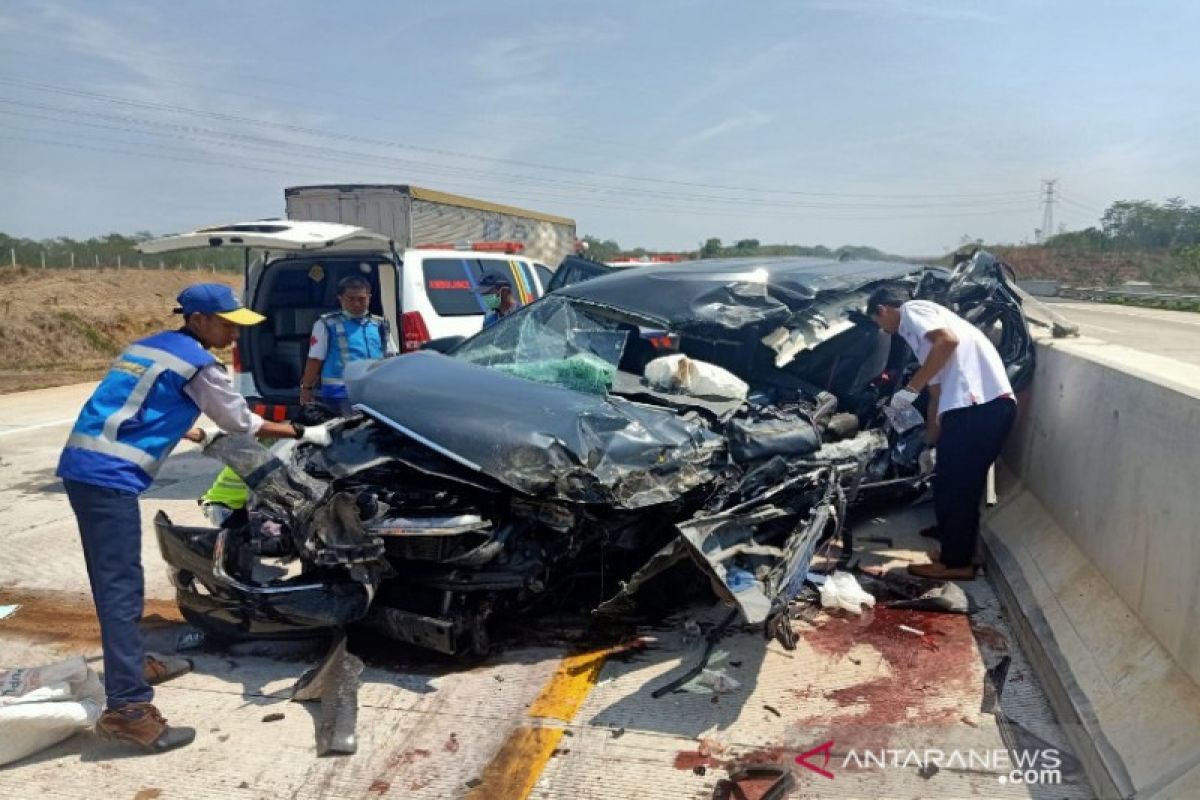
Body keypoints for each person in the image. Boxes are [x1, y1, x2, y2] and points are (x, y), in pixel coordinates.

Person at [55, 283, 334, 753]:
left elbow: (139, 402)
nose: (232, 334)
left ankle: (131, 663)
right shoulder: (199, 364)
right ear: (199, 320)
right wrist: (308, 431)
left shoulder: (150, 347)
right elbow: (243, 422)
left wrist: (195, 431)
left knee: (117, 580)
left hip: (85, 468)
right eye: (227, 324)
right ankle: (128, 709)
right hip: (108, 477)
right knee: (119, 586)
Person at [867, 286, 1017, 581]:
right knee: (953, 481)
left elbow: (947, 342)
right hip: (973, 411)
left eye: (878, 324)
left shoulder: (914, 311)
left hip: (979, 407)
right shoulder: (921, 340)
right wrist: (930, 445)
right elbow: (936, 394)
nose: (884, 332)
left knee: (956, 486)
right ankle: (959, 551)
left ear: (883, 310)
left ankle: (956, 563)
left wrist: (910, 390)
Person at [300, 275, 396, 415]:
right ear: (340, 298)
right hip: (340, 394)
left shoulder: (380, 324)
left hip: (374, 392)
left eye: (361, 299)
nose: (356, 304)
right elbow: (315, 359)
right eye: (350, 299)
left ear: (369, 297)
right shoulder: (326, 324)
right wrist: (307, 388)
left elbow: (391, 357)